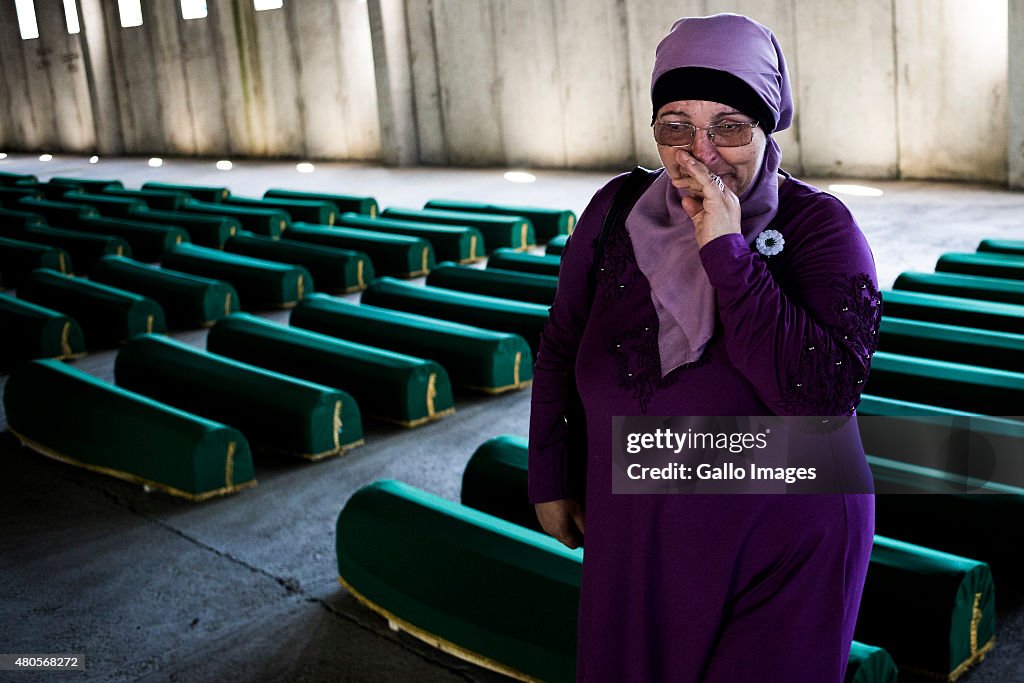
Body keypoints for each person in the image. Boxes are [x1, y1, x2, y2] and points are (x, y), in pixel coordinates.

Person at [528, 13, 881, 682]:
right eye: (675, 126)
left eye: (729, 126)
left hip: (785, 538)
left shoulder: (819, 229)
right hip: (640, 526)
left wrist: (726, 247)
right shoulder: (615, 213)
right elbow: (560, 342)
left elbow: (821, 398)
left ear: (766, 124)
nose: (702, 152)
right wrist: (549, 471)